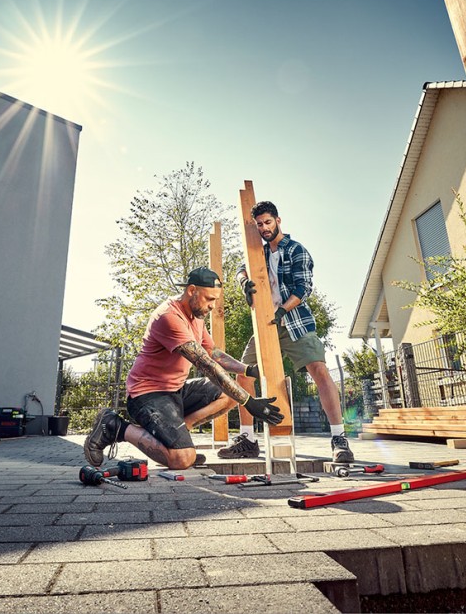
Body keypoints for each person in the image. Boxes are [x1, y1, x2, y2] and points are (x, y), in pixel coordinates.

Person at [84, 267, 284, 469]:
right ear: (191, 290)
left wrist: (248, 370)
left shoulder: (197, 315)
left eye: (215, 300)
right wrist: (248, 401)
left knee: (231, 393)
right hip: (147, 395)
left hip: (176, 391)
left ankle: (180, 436)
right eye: (209, 299)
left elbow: (213, 352)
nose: (213, 306)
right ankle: (115, 426)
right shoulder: (169, 317)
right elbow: (205, 364)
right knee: (182, 460)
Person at [217, 201, 355, 463]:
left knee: (319, 370)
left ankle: (339, 438)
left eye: (268, 222)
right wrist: (243, 281)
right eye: (259, 224)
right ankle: (248, 439)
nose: (264, 228)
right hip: (265, 325)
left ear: (278, 221)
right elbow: (240, 268)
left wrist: (283, 311)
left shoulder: (296, 250)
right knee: (244, 373)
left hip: (295, 322)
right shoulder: (256, 251)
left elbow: (303, 289)